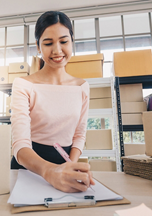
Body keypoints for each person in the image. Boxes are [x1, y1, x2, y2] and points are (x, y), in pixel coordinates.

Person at [10, 11, 95, 193]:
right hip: (29, 167)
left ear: (72, 41)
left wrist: (70, 167)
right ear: (38, 47)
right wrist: (50, 171)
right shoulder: (23, 85)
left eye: (64, 41)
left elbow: (79, 135)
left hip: (64, 163)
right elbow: (20, 144)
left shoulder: (82, 87)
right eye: (48, 43)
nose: (57, 50)